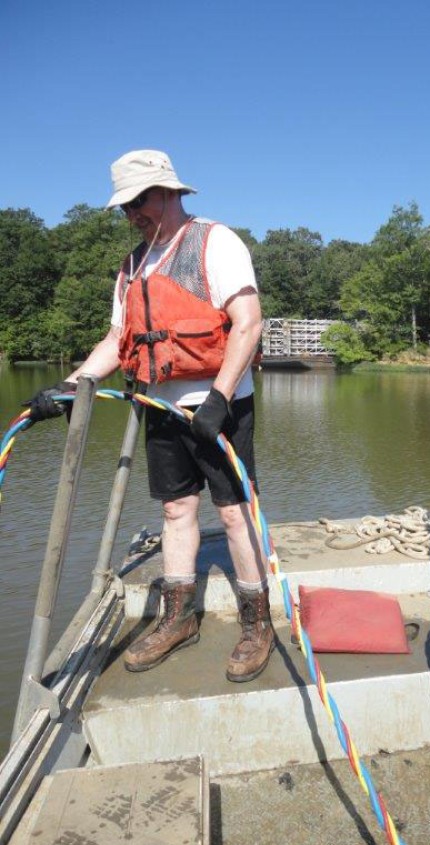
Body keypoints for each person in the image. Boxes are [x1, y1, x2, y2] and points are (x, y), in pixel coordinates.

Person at [28, 150, 273, 682]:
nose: (133, 213)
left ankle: (258, 625)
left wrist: (219, 398)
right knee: (175, 511)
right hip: (160, 405)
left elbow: (248, 323)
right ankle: (178, 617)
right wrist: (72, 387)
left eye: (141, 201)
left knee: (234, 513)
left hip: (220, 406)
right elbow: (119, 339)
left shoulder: (215, 242)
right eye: (126, 206)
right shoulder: (133, 264)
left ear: (169, 193)